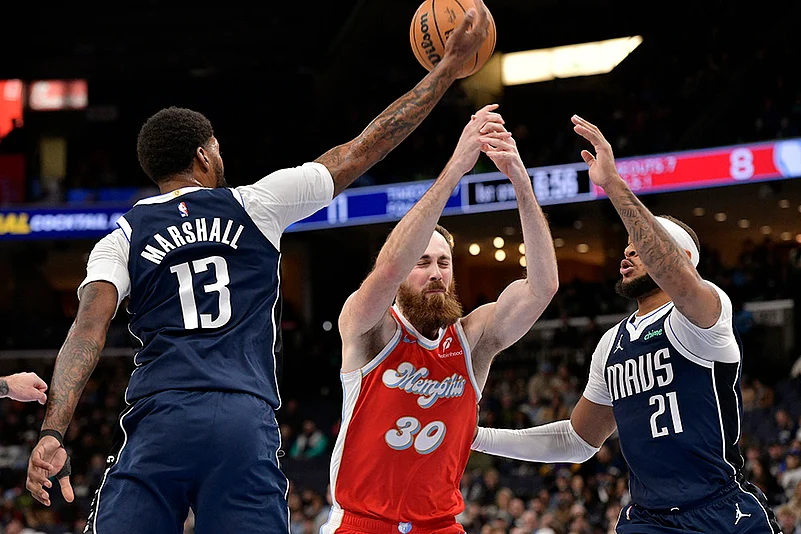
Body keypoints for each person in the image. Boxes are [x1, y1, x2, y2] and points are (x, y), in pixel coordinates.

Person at [23, 4, 491, 532]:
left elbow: (85, 334)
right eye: (217, 149)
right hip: (244, 420)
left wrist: (53, 432)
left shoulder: (120, 238)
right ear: (203, 156)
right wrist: (444, 72)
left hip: (161, 417)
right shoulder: (256, 203)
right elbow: (366, 148)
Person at [471, 115, 782, 533]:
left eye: (642, 247)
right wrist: (476, 436)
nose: (629, 252)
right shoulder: (611, 343)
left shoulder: (704, 314)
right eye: (627, 247)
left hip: (720, 509)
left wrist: (613, 184)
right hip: (648, 518)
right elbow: (576, 441)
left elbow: (675, 274)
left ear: (683, 261)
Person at [321, 105, 559, 533]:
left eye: (444, 263)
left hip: (441, 525)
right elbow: (389, 267)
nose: (435, 273)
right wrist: (455, 170)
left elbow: (542, 289)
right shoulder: (371, 328)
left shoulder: (472, 339)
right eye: (423, 261)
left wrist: (522, 184)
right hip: (362, 523)